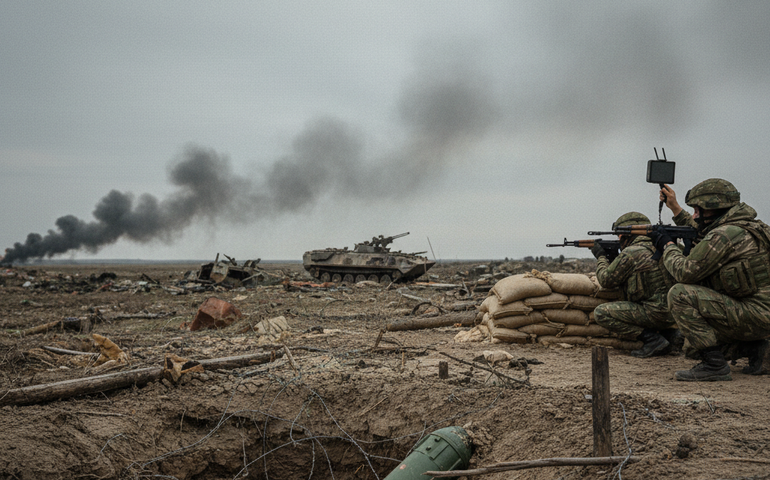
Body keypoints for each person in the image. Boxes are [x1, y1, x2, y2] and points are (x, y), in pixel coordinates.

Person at [653, 179, 770, 381]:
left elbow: (685, 272)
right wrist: (675, 208)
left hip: (756, 315)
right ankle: (757, 349)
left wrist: (668, 246)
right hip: (760, 313)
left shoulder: (724, 235)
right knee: (692, 348)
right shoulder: (750, 226)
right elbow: (701, 229)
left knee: (680, 294)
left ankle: (714, 365)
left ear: (713, 207)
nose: (695, 216)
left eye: (698, 210)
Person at [591, 211, 679, 358]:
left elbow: (606, 280)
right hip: (675, 312)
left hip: (653, 313)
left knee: (601, 313)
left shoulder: (631, 253)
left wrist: (601, 257)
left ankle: (653, 340)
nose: (618, 239)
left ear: (626, 233)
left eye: (619, 235)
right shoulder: (667, 246)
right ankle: (671, 334)